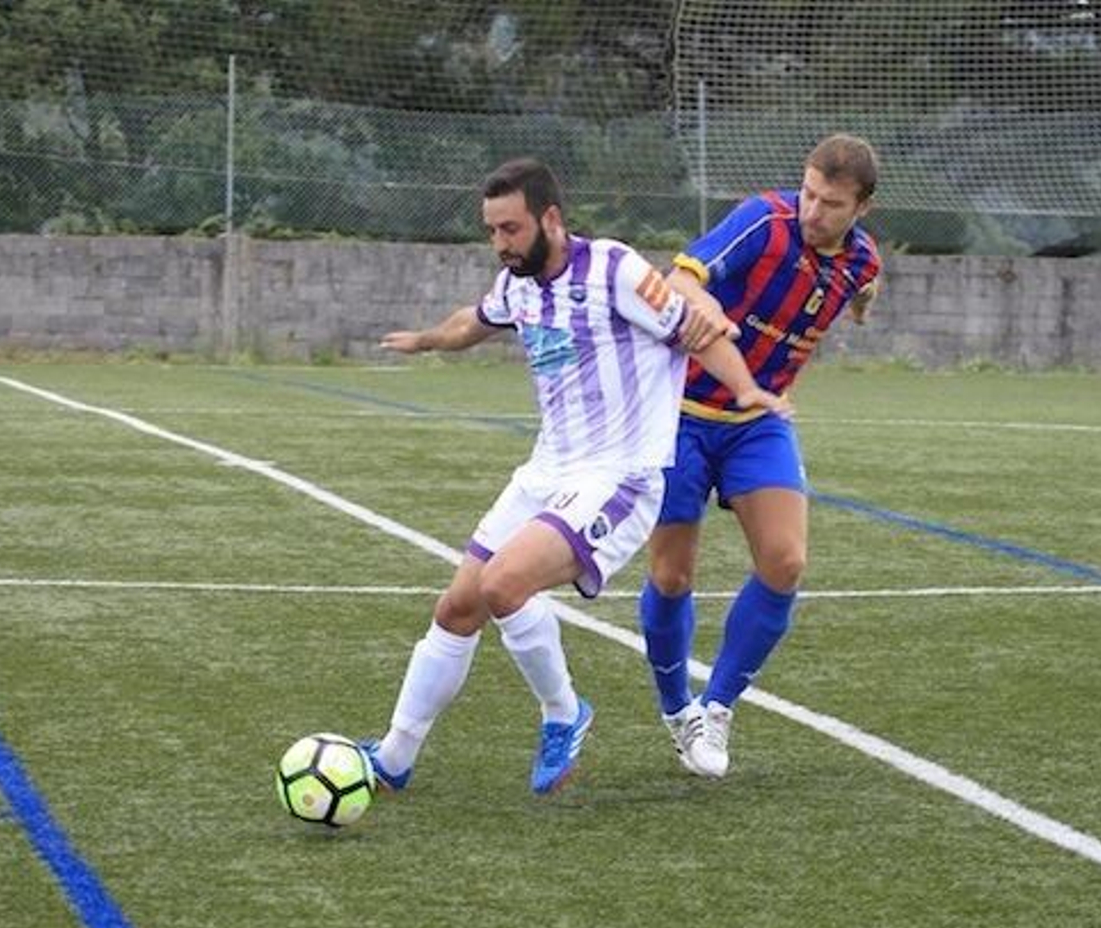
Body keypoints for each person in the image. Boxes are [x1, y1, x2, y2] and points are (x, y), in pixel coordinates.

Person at [361, 157, 787, 795]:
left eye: (510, 229)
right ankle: (394, 757)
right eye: (492, 231)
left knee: (506, 584)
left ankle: (564, 712)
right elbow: (472, 321)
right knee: (457, 607)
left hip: (621, 477)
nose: (500, 244)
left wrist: (747, 387)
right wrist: (425, 340)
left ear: (550, 219)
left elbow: (695, 331)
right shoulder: (518, 285)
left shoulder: (614, 269)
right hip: (548, 471)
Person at [639, 133, 883, 779]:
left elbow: (864, 281)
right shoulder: (763, 221)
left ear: (861, 209)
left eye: (830, 203)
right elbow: (679, 278)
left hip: (759, 420)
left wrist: (862, 303)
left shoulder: (861, 260)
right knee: (670, 576)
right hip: (680, 416)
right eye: (808, 193)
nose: (812, 211)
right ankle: (677, 712)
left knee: (786, 560)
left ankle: (717, 705)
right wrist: (704, 301)